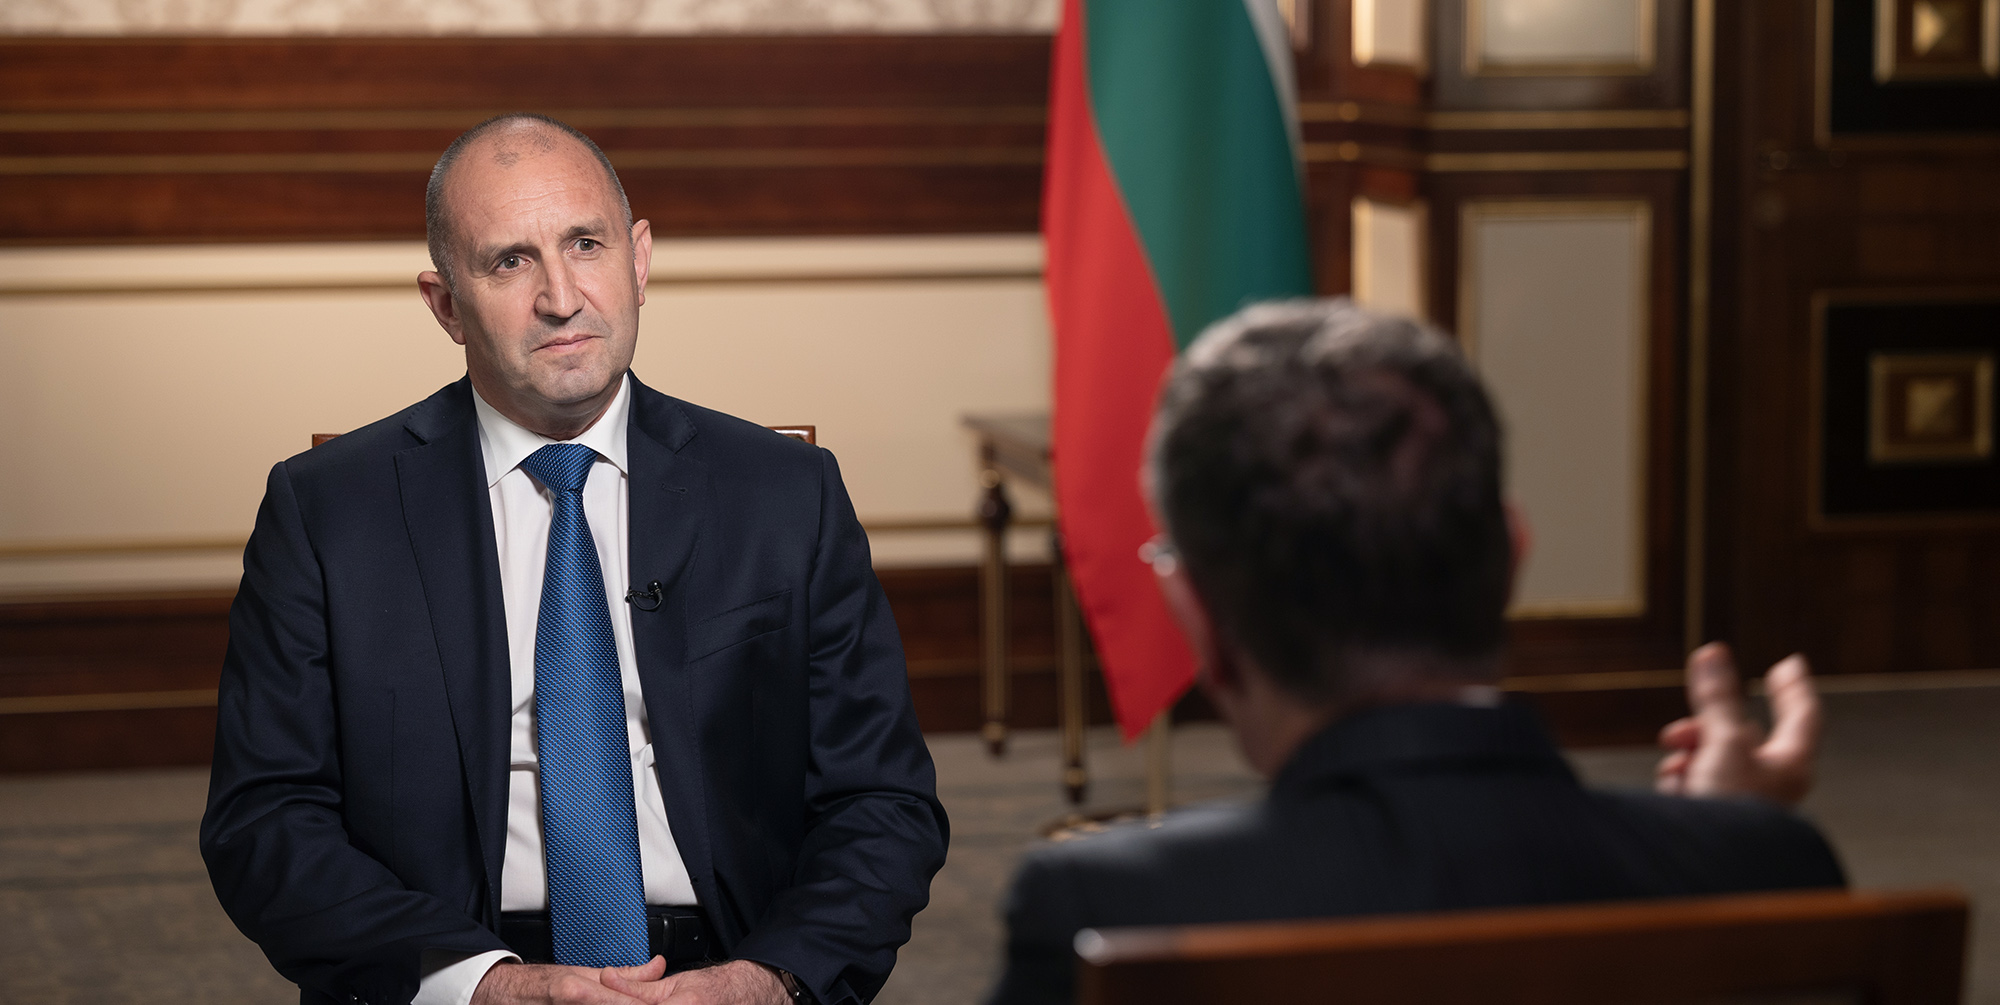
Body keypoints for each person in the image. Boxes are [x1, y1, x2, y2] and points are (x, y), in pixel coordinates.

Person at [200, 114, 947, 1005]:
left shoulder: (786, 493)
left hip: (733, 962)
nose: (561, 297)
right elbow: (264, 821)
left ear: (639, 261)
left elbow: (884, 802)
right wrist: (487, 986)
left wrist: (765, 980)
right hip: (458, 973)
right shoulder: (326, 512)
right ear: (446, 305)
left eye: (586, 244)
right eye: (509, 261)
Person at [986, 299, 1841, 1005]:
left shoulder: (1111, 910)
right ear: (1511, 559)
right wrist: (1727, 836)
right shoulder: (1770, 867)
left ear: (1199, 617)